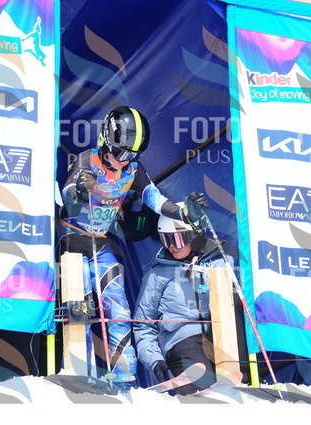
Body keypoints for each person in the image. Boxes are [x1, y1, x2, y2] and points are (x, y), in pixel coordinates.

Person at [59, 105, 208, 389]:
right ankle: (80, 374)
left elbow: (155, 199)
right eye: (119, 153)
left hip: (100, 243)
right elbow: (68, 199)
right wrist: (78, 189)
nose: (123, 161)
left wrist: (185, 212)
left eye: (131, 155)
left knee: (119, 309)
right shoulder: (87, 160)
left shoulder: (134, 170)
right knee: (80, 309)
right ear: (105, 139)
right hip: (72, 241)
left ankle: (124, 379)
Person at [133, 207, 230, 395]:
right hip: (185, 341)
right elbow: (142, 324)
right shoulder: (157, 275)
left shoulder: (221, 264)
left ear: (193, 236)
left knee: (231, 381)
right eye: (166, 239)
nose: (172, 246)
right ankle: (192, 393)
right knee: (201, 381)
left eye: (177, 239)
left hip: (223, 335)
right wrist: (154, 360)